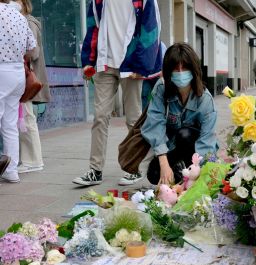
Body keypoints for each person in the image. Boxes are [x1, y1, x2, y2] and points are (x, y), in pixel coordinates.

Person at [73, 0, 162, 186]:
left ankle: (135, 168)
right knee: (100, 116)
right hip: (105, 62)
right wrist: (88, 60)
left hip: (131, 64)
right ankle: (95, 170)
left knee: (133, 118)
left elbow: (150, 29)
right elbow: (93, 27)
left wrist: (142, 64)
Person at [132, 43, 218, 186]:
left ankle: (188, 177)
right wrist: (164, 164)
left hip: (195, 152)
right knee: (154, 174)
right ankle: (179, 177)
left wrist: (200, 176)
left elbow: (207, 142)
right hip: (172, 147)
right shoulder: (161, 88)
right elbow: (154, 124)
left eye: (184, 67)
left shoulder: (205, 100)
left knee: (184, 134)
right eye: (175, 68)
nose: (180, 72)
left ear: (194, 69)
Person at [0, 0, 36, 183]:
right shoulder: (19, 16)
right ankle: (11, 171)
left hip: (1, 70)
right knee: (10, 124)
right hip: (17, 73)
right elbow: (31, 46)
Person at [15, 0, 50, 174]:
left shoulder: (28, 22)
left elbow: (33, 52)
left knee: (27, 118)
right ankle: (29, 159)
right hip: (22, 75)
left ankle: (33, 160)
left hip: (26, 76)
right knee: (25, 118)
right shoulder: (23, 20)